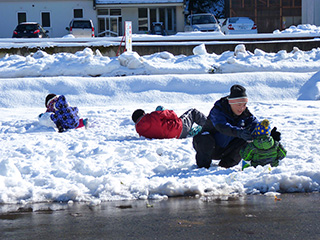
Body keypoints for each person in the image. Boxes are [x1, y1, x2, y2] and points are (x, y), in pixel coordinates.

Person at [193, 84, 259, 169]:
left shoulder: (244, 112)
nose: (242, 108)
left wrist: (268, 134)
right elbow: (222, 127)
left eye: (244, 105)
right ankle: (202, 167)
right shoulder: (218, 109)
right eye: (239, 105)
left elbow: (255, 125)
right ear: (231, 103)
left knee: (247, 137)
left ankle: (226, 165)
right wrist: (239, 132)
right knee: (205, 138)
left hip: (227, 149)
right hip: (209, 146)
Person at [131, 106, 207, 139]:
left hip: (173, 136)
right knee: (193, 112)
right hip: (179, 128)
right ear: (143, 114)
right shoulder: (153, 115)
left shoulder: (140, 132)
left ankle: (191, 132)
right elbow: (173, 114)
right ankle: (210, 125)